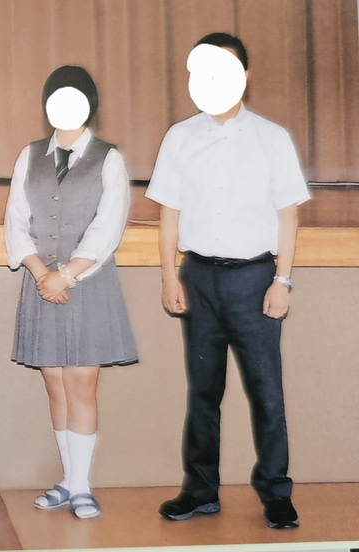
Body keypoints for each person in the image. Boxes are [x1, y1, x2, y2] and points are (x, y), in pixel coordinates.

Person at [146, 32, 309, 530]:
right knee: (203, 392)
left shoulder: (271, 138)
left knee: (267, 392)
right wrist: (169, 276)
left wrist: (282, 280)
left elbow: (288, 216)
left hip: (255, 278)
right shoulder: (180, 137)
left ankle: (276, 492)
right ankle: (200, 491)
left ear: (246, 76)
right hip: (198, 276)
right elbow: (169, 213)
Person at [4, 65, 138, 520]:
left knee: (81, 383)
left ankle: (81, 486)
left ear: (89, 104)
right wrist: (42, 272)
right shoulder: (29, 156)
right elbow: (16, 219)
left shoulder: (108, 157)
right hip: (41, 281)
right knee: (54, 383)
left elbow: (108, 226)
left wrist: (67, 274)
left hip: (87, 284)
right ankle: (67, 479)